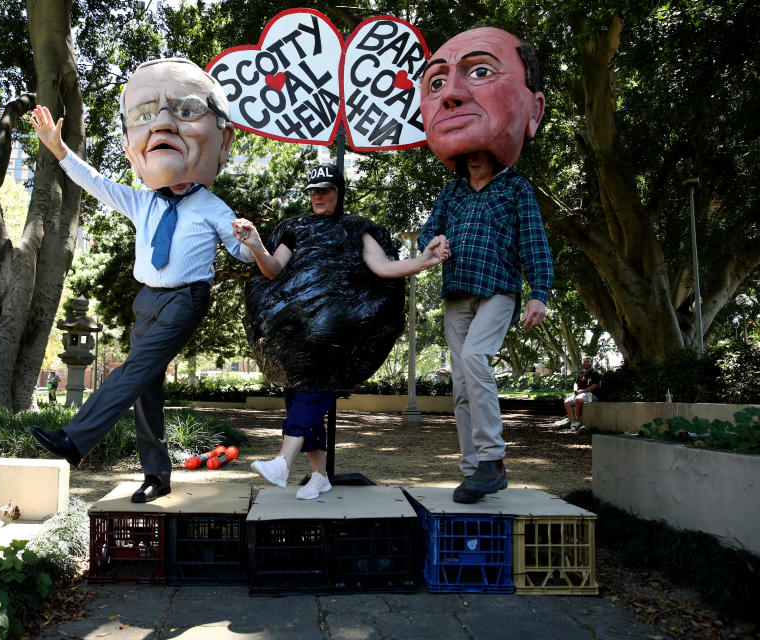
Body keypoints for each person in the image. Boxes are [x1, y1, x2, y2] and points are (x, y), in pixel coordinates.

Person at [28, 58, 254, 503]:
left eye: (185, 110)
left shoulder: (210, 205)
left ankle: (75, 440)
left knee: (130, 371)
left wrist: (257, 244)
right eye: (146, 117)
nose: (163, 126)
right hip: (147, 300)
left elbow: (244, 251)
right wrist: (58, 149)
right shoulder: (141, 202)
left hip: (187, 299)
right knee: (145, 389)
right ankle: (157, 475)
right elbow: (92, 180)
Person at [233, 164, 448, 499]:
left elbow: (382, 267)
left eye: (326, 190)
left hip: (336, 335)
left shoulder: (355, 229)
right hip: (297, 337)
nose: (318, 197)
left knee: (311, 394)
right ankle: (320, 476)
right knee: (299, 396)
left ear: (338, 193)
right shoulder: (294, 228)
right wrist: (258, 246)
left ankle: (283, 462)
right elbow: (273, 270)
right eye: (313, 191)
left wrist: (423, 261)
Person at [417, 27, 554, 504]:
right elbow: (426, 233)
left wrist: (539, 293)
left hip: (498, 290)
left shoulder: (515, 188)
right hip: (457, 292)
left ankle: (493, 459)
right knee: (459, 383)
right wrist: (433, 243)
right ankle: (473, 468)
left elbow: (535, 244)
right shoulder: (451, 192)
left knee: (476, 360)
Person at [564, 356, 600, 429]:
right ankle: (574, 423)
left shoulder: (595, 373)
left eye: (588, 362)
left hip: (591, 395)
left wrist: (582, 391)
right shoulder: (581, 373)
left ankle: (577, 418)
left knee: (578, 399)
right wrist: (575, 389)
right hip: (580, 393)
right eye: (584, 362)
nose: (586, 363)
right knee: (567, 402)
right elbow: (576, 383)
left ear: (591, 363)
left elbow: (595, 386)